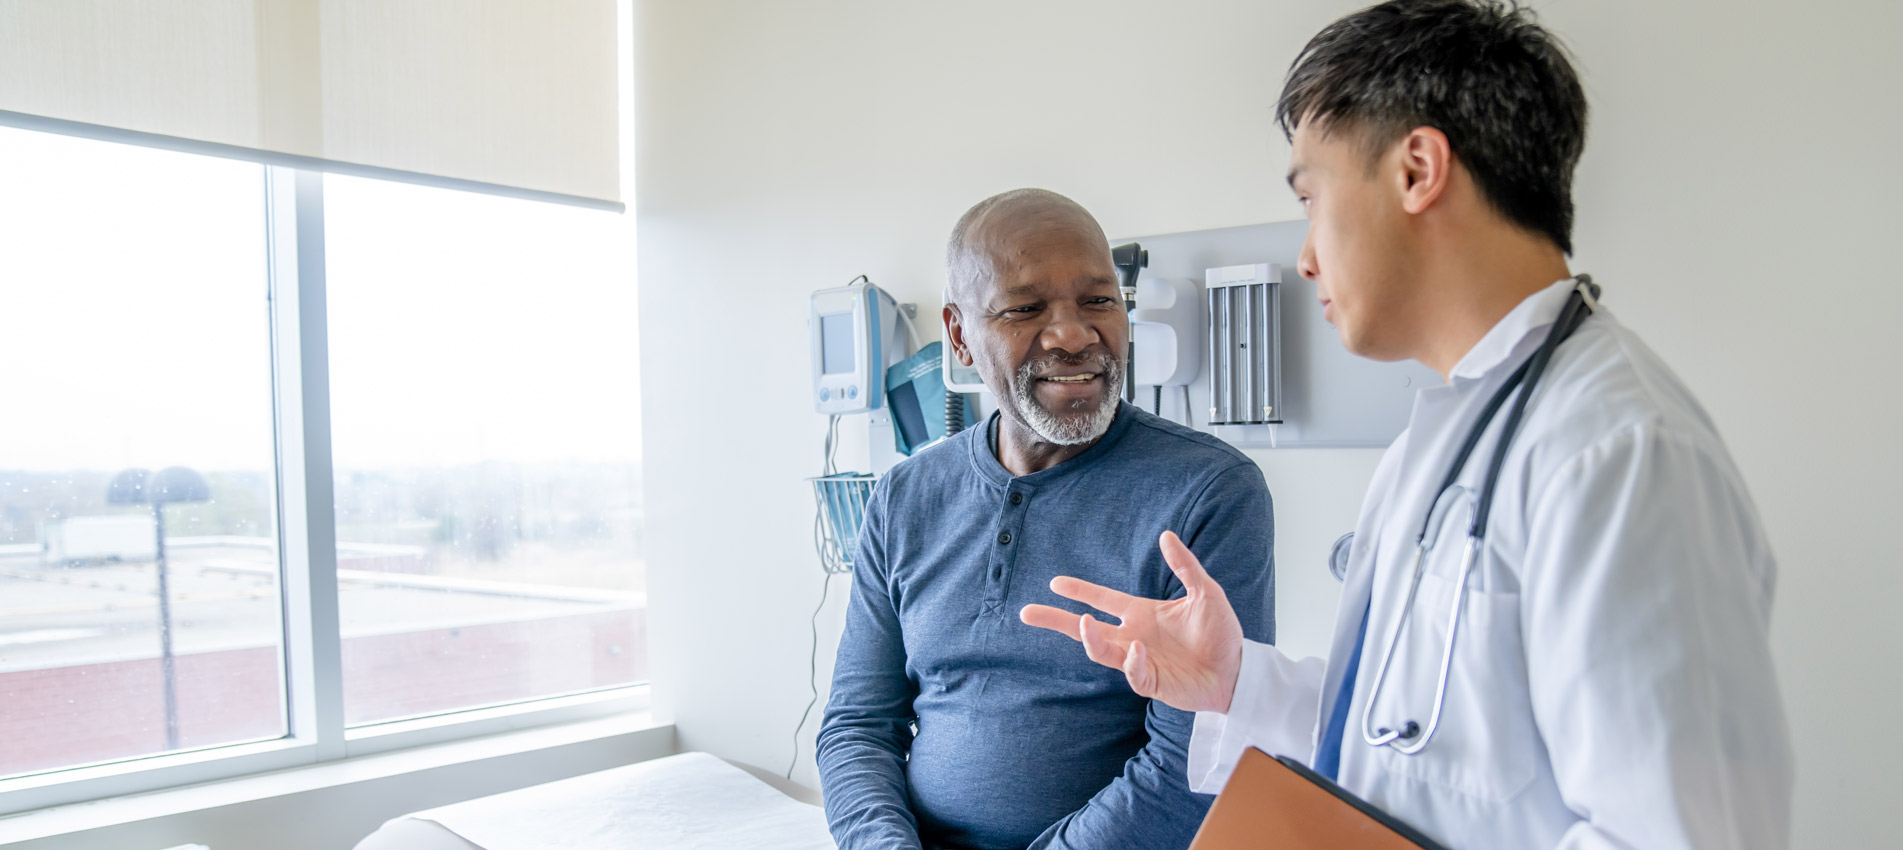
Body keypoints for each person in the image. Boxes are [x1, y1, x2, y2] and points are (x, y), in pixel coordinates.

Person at [1021, 2, 1794, 848]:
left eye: (1311, 197)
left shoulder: (1618, 452)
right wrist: (1237, 682)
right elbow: (1419, 742)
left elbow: (1676, 834)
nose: (1305, 254)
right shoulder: (1449, 433)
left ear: (1418, 170)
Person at [816, 188, 1276, 850]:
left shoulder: (1207, 492)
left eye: (1099, 301)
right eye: (1025, 309)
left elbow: (1192, 763)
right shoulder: (904, 496)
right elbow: (858, 723)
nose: (1071, 334)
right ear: (958, 335)